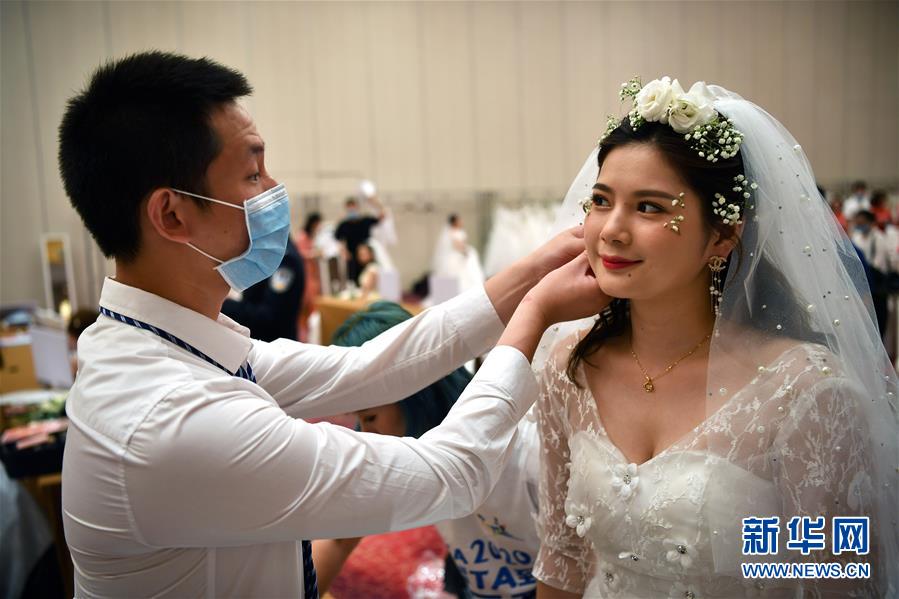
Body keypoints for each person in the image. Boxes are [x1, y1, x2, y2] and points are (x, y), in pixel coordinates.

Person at [56, 51, 605, 598]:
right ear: (172, 214)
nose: (274, 188)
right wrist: (535, 315)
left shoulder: (159, 346)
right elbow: (450, 474)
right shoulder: (171, 419)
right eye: (253, 174)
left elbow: (369, 367)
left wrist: (533, 271)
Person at [532, 77, 898, 598]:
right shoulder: (570, 365)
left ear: (723, 235)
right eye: (601, 201)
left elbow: (840, 574)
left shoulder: (805, 391)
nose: (611, 229)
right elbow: (563, 560)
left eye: (650, 207)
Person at [313, 302, 541, 598]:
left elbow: (573, 568)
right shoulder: (395, 442)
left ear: (413, 392)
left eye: (369, 417)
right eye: (359, 419)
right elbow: (339, 539)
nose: (366, 432)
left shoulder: (523, 444)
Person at [221, 232, 304, 342]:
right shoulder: (269, 252)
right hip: (261, 341)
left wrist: (224, 303)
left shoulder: (285, 260)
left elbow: (270, 318)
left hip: (273, 345)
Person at [335, 196, 384, 283]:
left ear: (357, 207)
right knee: (354, 280)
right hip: (352, 258)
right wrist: (344, 252)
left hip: (367, 256)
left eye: (353, 207)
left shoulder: (365, 220)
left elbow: (381, 216)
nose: (352, 210)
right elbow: (339, 240)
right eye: (349, 208)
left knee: (369, 277)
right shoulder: (344, 225)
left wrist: (375, 203)